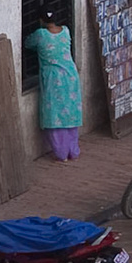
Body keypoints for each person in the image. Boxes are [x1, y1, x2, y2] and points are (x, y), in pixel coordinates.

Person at [24, 10, 82, 161]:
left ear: (41, 21)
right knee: (70, 112)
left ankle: (61, 153)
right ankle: (73, 151)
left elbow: (27, 43)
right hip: (70, 75)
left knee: (54, 115)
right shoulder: (66, 31)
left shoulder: (41, 35)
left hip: (53, 78)